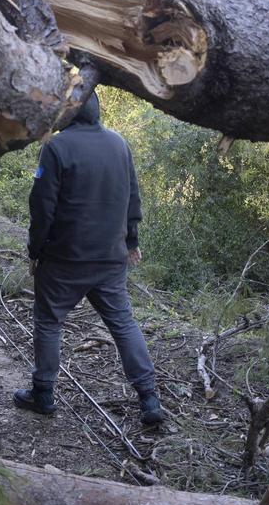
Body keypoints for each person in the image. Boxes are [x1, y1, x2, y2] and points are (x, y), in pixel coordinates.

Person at [13, 91, 163, 425]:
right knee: (123, 323)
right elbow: (133, 198)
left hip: (64, 260)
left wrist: (35, 251)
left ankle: (44, 393)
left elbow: (41, 207)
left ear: (68, 113)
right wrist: (131, 241)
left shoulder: (56, 146)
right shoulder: (119, 145)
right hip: (110, 259)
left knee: (49, 321)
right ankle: (150, 399)